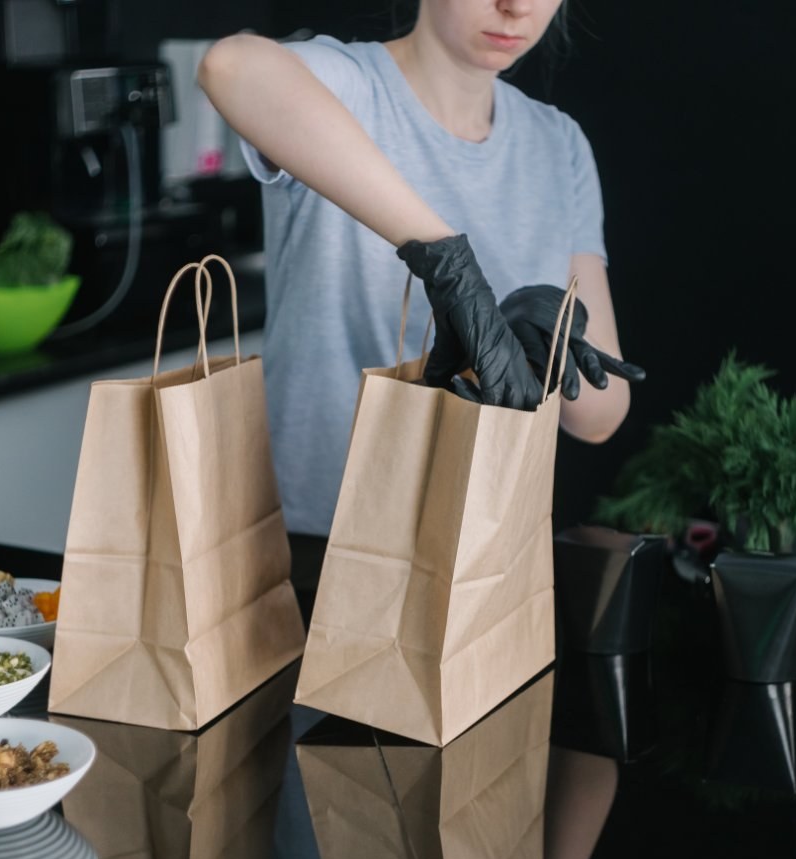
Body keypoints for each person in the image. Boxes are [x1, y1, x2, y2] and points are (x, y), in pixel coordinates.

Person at [198, 0, 644, 541]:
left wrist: (547, 342)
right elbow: (229, 65)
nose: (516, 7)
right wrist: (447, 262)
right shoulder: (350, 87)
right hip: (312, 543)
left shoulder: (559, 144)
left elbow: (599, 416)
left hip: (477, 547)